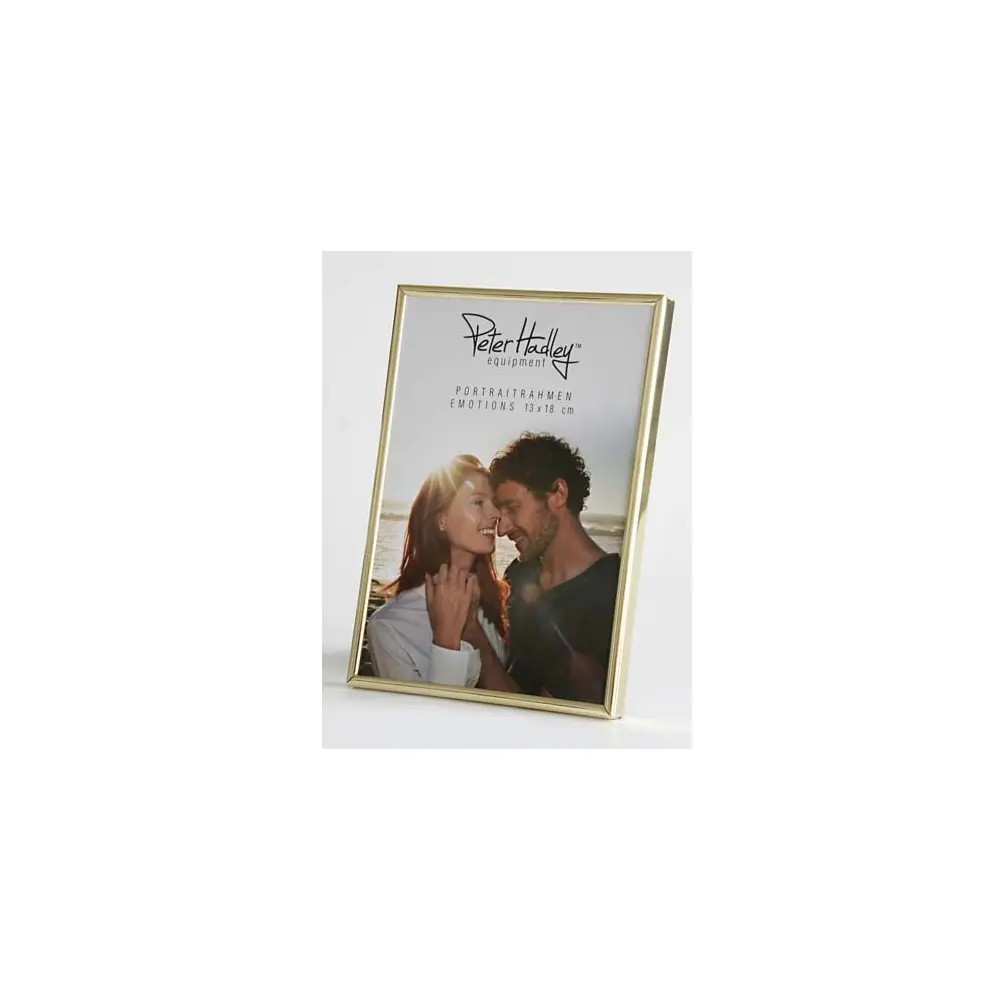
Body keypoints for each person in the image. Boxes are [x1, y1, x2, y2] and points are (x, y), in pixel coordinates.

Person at [479, 433, 621, 704]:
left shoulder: (614, 593)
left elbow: (537, 716)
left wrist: (474, 637)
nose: (502, 529)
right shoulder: (519, 573)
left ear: (558, 494)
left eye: (512, 508)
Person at [366, 455, 508, 687]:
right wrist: (447, 642)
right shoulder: (388, 627)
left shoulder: (490, 599)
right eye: (478, 502)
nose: (496, 514)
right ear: (442, 520)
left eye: (494, 502)